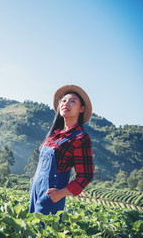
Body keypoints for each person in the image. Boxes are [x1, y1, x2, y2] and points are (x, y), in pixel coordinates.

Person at [29, 84, 94, 216]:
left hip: (51, 196)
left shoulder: (81, 138)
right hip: (35, 191)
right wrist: (35, 179)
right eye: (63, 101)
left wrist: (60, 194)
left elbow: (86, 175)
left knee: (43, 233)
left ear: (81, 109)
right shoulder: (53, 136)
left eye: (72, 101)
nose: (66, 104)